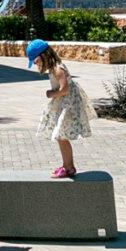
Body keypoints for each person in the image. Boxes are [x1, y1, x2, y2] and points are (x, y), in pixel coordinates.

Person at [26, 39, 97, 178]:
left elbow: (64, 89)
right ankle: (67, 165)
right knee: (61, 136)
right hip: (64, 104)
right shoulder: (53, 68)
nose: (35, 63)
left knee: (61, 135)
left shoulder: (58, 69)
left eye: (35, 60)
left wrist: (51, 93)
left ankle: (69, 167)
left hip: (68, 106)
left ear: (44, 56)